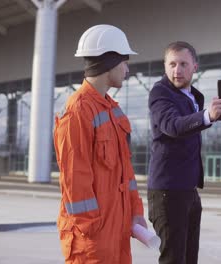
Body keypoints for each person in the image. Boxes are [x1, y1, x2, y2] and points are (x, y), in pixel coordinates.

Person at [53, 24, 146, 263]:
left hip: (118, 230)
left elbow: (126, 173)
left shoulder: (114, 112)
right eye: (125, 62)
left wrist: (135, 213)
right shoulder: (77, 111)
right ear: (110, 63)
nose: (127, 69)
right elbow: (75, 178)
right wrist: (91, 229)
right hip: (92, 238)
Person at [147, 41, 221, 264]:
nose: (177, 70)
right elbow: (173, 126)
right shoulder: (160, 93)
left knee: (189, 258)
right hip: (167, 192)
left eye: (183, 64)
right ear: (165, 66)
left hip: (188, 191)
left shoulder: (194, 96)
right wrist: (208, 116)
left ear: (195, 66)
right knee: (174, 259)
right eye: (172, 64)